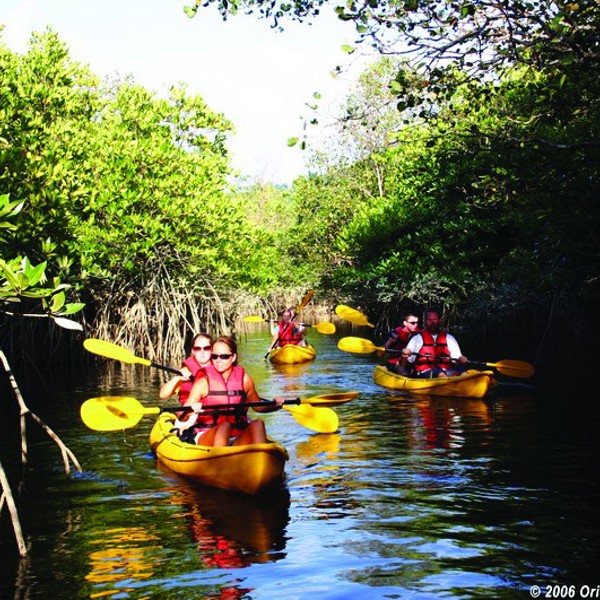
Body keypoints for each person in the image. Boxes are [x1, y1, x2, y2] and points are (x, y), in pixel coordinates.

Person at [180, 336, 285, 447]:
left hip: (237, 435)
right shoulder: (203, 382)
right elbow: (181, 416)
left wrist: (275, 405)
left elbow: (258, 406)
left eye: (224, 356)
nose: (218, 361)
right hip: (208, 435)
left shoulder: (244, 380)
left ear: (233, 357)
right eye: (214, 356)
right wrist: (190, 410)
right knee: (225, 426)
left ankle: (259, 459)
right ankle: (221, 459)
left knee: (258, 424)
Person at [401, 310, 468, 378]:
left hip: (448, 371)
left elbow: (457, 358)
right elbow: (403, 363)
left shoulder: (449, 338)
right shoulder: (417, 339)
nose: (432, 322)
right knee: (439, 372)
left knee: (462, 370)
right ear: (425, 322)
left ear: (439, 320)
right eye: (429, 320)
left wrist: (461, 359)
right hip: (426, 372)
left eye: (435, 319)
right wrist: (404, 356)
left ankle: (463, 383)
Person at [159, 332, 213, 404]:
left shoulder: (221, 368)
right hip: (190, 412)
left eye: (206, 348)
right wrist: (177, 378)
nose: (202, 352)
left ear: (212, 350)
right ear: (193, 351)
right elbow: (163, 395)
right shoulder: (185, 371)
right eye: (197, 348)